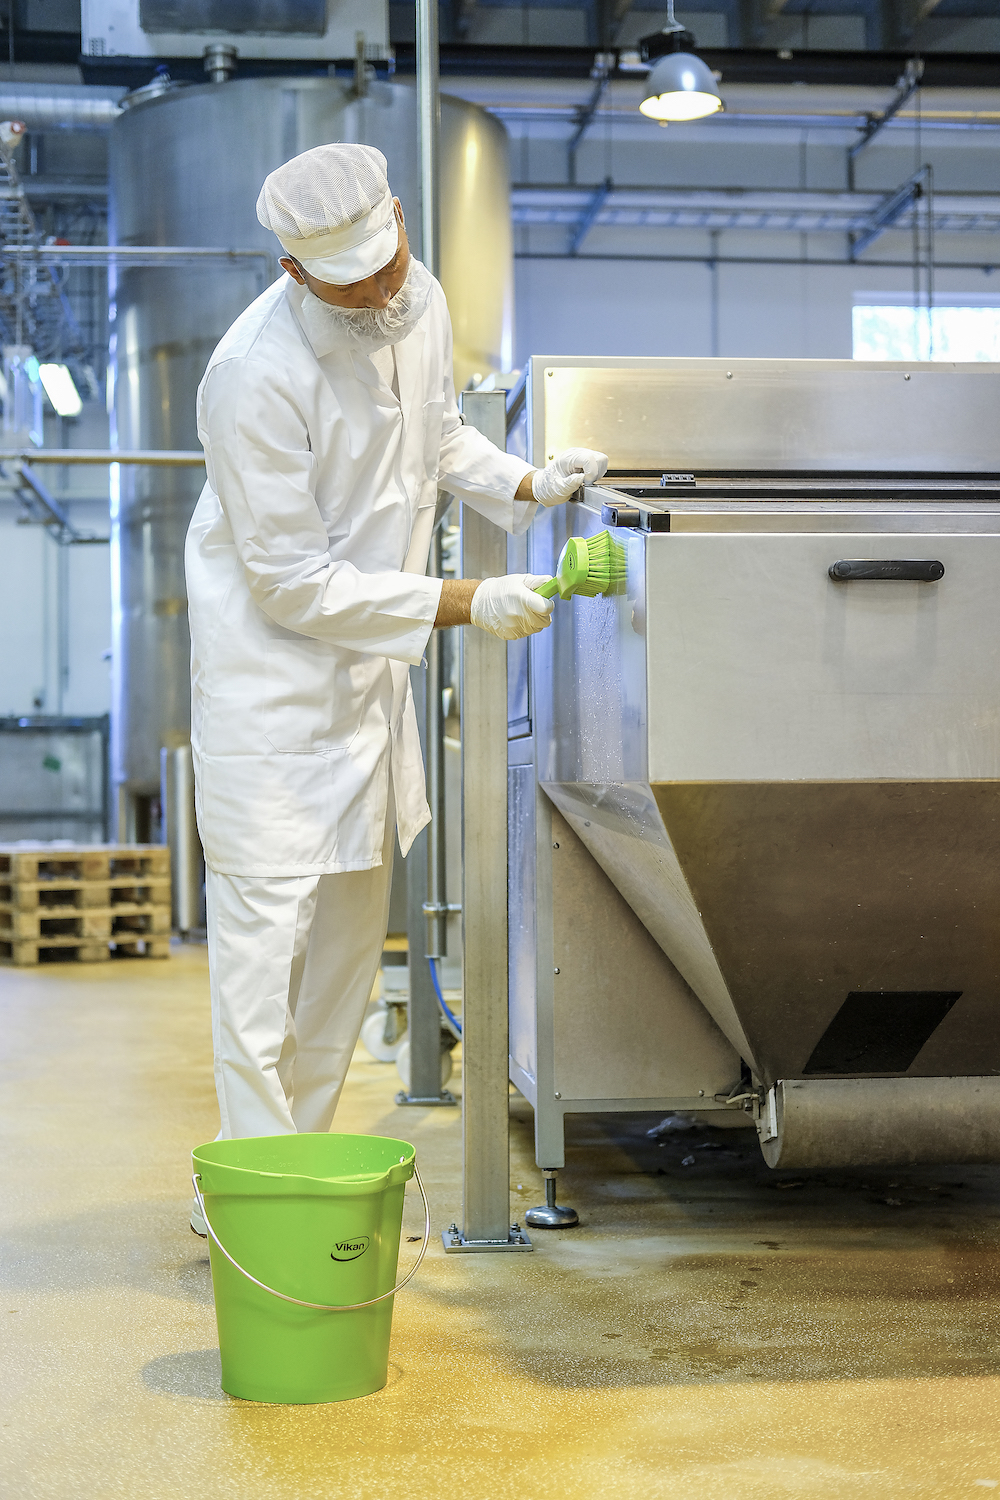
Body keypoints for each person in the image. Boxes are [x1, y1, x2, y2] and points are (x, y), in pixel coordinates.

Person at [184, 143, 607, 1233]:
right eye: (349, 284)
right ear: (293, 274)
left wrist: (527, 479)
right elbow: (287, 581)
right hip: (273, 696)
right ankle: (249, 1194)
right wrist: (461, 600)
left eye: (388, 263)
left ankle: (298, 1169)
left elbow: (435, 438)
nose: (379, 294)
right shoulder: (250, 374)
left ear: (402, 219)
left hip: (366, 692)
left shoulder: (415, 299)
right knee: (259, 972)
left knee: (337, 961)